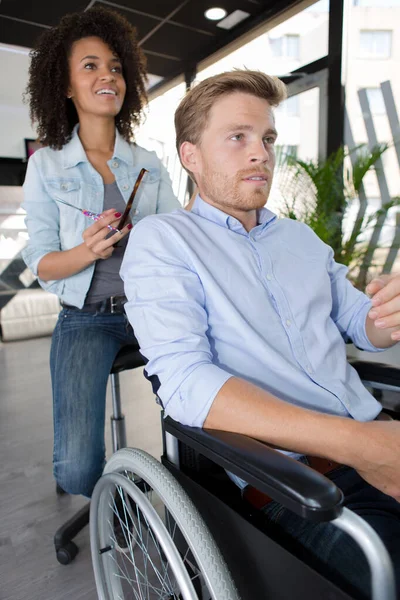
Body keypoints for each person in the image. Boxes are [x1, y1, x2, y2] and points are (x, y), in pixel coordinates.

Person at [121, 70, 400, 598]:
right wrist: (363, 444)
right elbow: (184, 383)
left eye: (268, 139)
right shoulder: (165, 241)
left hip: (379, 439)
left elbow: (363, 326)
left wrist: (389, 312)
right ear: (190, 157)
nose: (261, 153)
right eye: (238, 137)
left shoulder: (301, 239)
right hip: (294, 485)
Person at [21, 6, 181, 499]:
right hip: (85, 318)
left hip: (149, 312)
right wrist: (87, 252)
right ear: (66, 86)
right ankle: (120, 491)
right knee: (74, 473)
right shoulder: (46, 166)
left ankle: (177, 495)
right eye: (89, 66)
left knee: (196, 421)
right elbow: (41, 262)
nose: (106, 75)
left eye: (114, 66)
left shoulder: (148, 164)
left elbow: (179, 238)